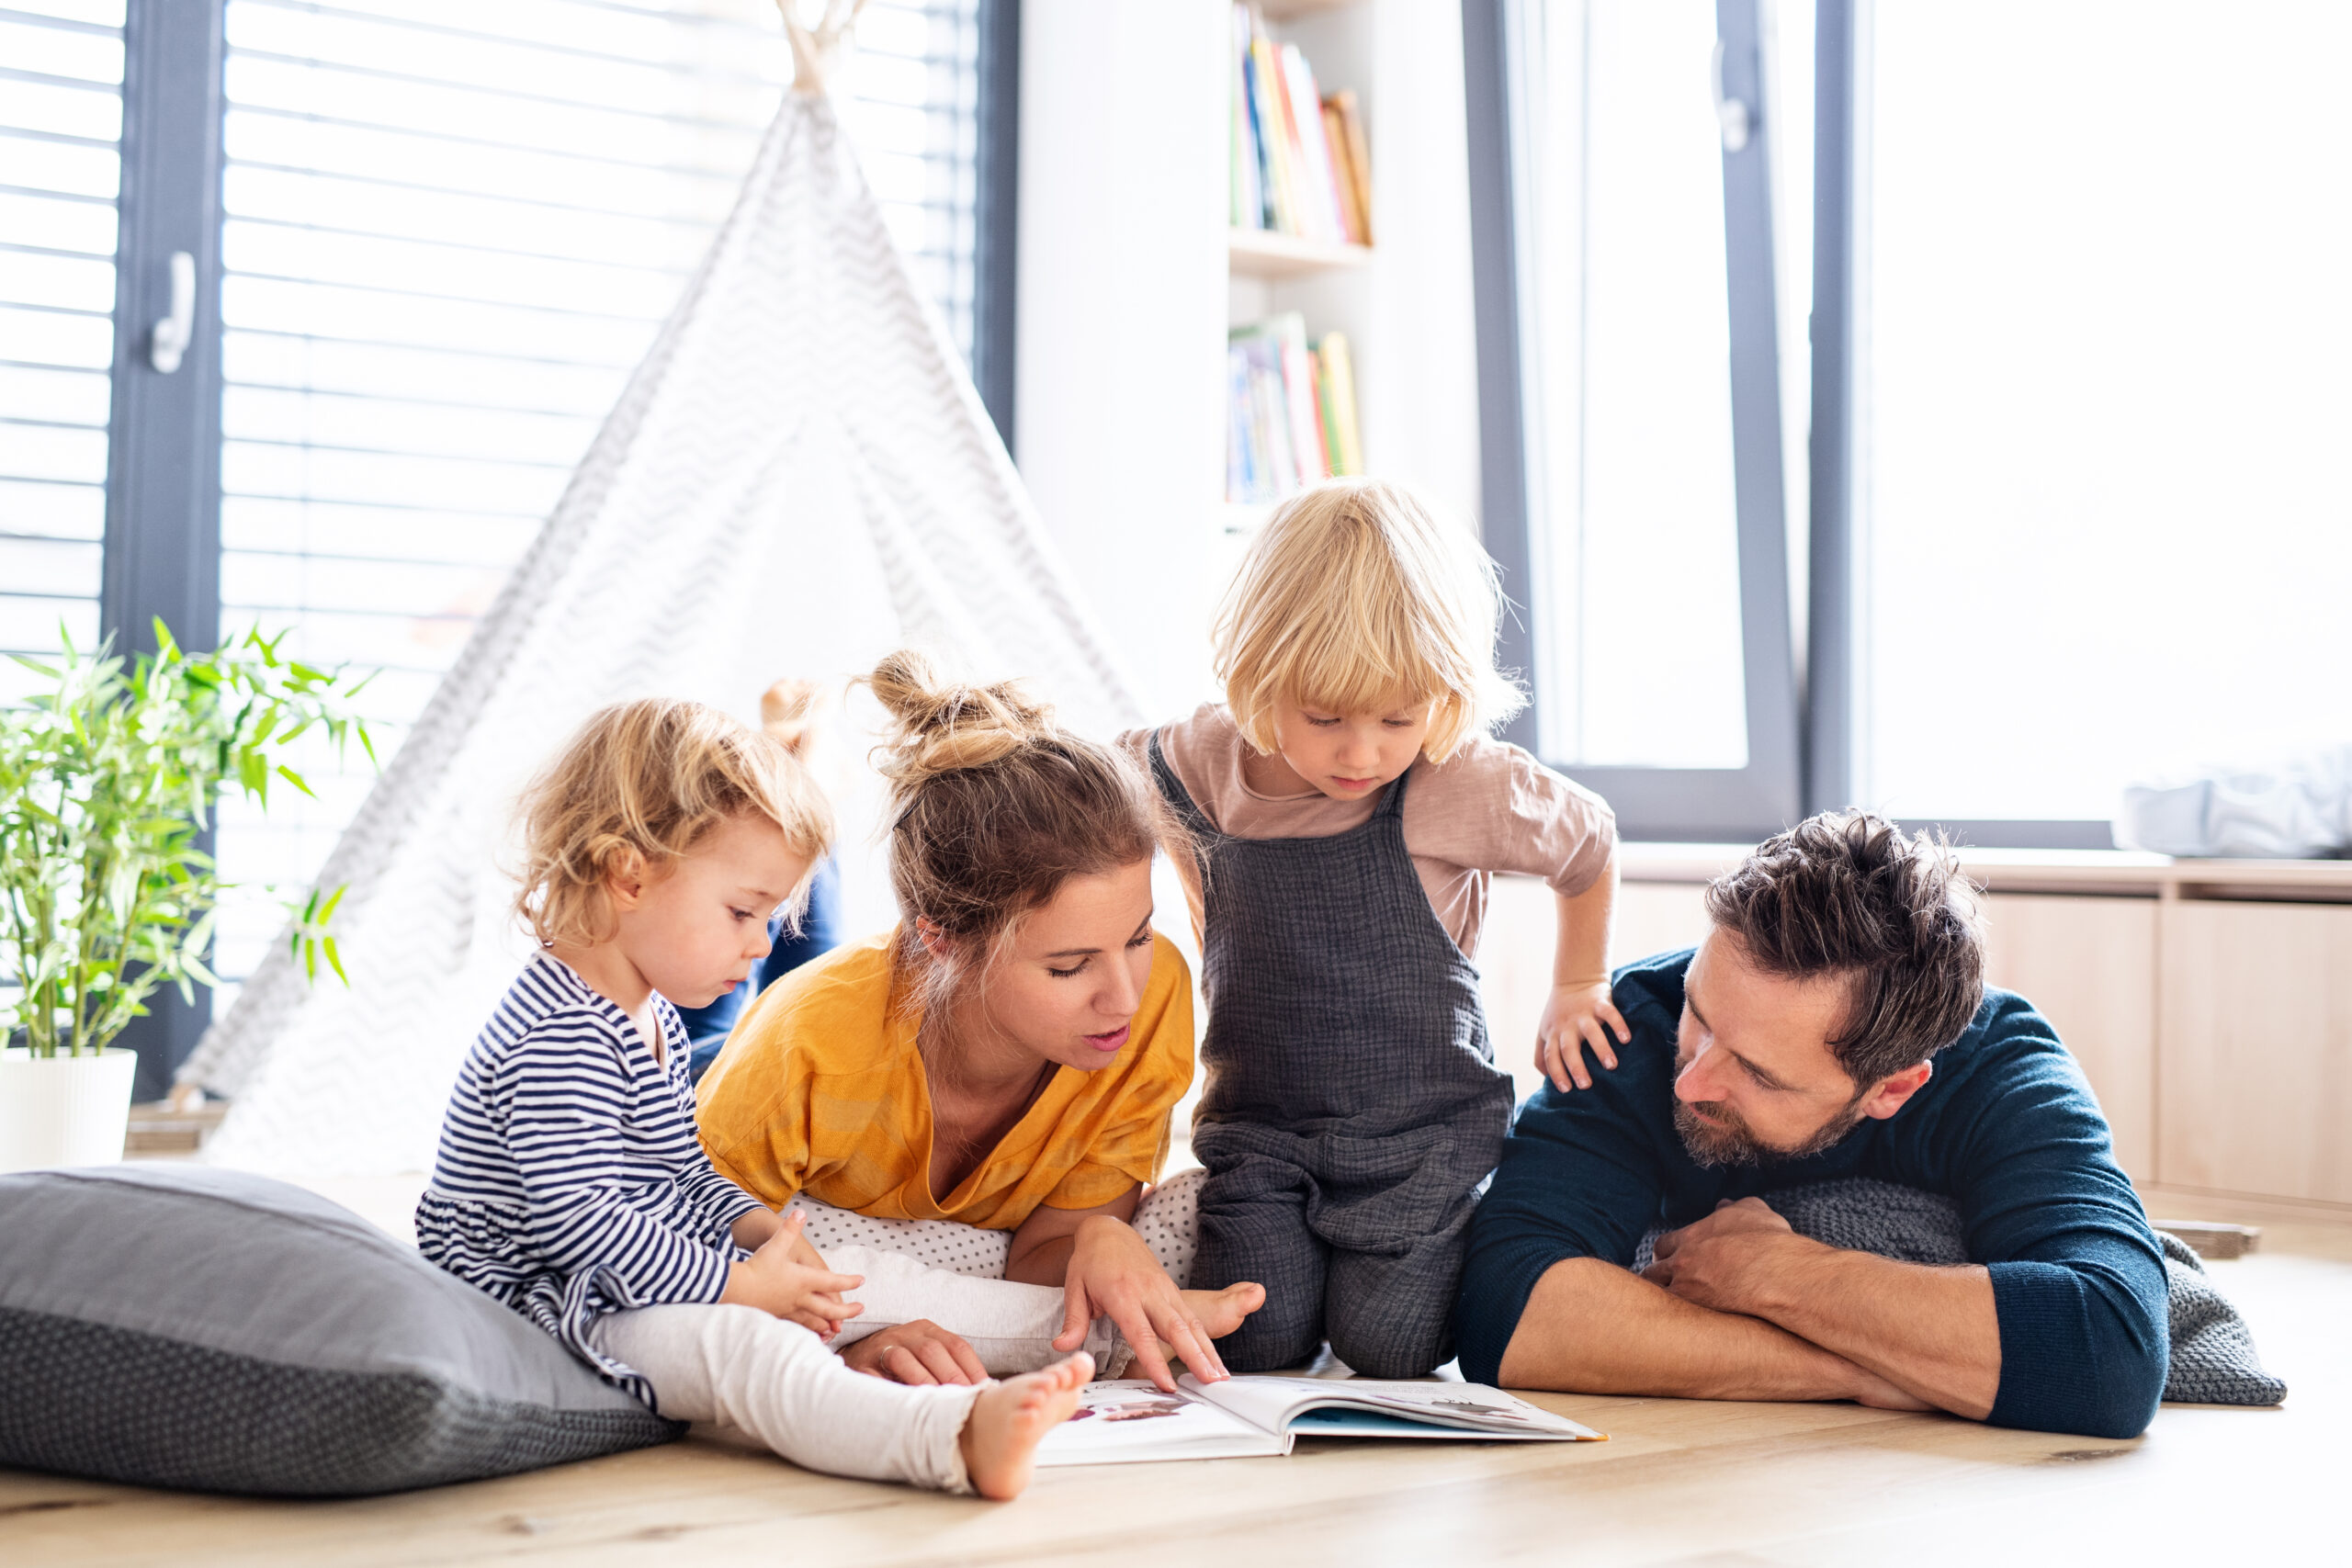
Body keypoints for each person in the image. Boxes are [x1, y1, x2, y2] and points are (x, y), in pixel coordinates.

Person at [413, 698, 1089, 1499]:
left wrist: (766, 1231)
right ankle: (947, 1438)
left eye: (770, 916)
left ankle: (1099, 1336)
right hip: (555, 1311)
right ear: (627, 875)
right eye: (743, 911)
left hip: (628, 1275)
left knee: (847, 1273)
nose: (764, 942)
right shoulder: (559, 1035)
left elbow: (681, 1173)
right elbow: (581, 1223)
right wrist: (738, 1287)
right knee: (749, 1348)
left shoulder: (648, 1013)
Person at [1121, 478, 1623, 1379]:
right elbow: (1091, 784)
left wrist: (1578, 983)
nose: (1363, 754)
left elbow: (1588, 843)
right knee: (1254, 1346)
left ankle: (1475, 1218)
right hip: (1260, 1134)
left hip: (1418, 1144)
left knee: (1392, 1348)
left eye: (1398, 717)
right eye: (1325, 719)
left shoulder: (1454, 782)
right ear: (1257, 676)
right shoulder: (1196, 762)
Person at [1458, 811, 2171, 1440]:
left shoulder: (2004, 1067)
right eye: (1700, 1017)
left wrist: (1775, 1273)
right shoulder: (1631, 1025)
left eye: (1760, 1073)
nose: (1690, 1079)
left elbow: (2115, 1352)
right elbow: (1505, 1308)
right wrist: (1863, 1368)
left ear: (1893, 1087)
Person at [696, 650, 1266, 1393]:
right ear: (941, 936)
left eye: (1136, 937)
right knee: (722, 973)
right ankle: (789, 769)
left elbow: (1037, 1261)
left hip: (883, 1012)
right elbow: (687, 1259)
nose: (1124, 997)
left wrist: (1100, 1234)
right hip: (742, 1061)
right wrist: (838, 1353)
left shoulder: (1150, 1000)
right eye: (1069, 967)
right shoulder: (808, 1041)